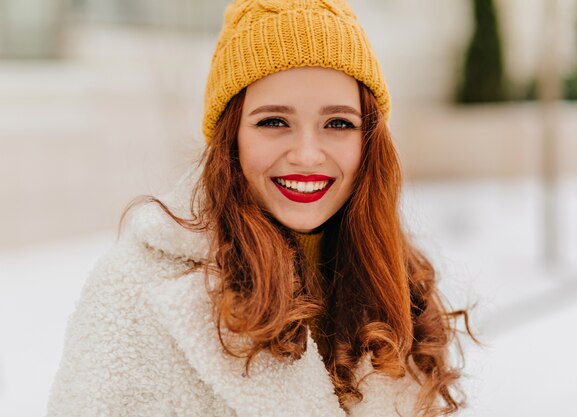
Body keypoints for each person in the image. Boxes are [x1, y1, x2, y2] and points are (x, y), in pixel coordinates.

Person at [47, 1, 471, 416]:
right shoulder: (135, 292)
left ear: (369, 140)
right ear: (230, 137)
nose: (307, 155)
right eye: (274, 122)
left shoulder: (397, 282)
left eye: (338, 123)